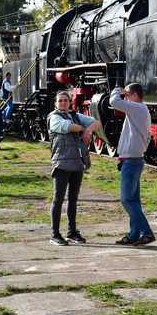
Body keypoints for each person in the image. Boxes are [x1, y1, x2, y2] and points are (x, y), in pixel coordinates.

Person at [47, 91, 101, 246]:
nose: (63, 103)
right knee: (58, 199)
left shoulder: (75, 115)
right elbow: (68, 127)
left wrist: (89, 130)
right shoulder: (54, 117)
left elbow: (96, 123)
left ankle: (72, 232)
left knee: (73, 199)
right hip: (61, 163)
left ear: (70, 102)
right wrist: (84, 129)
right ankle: (55, 234)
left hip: (77, 163)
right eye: (60, 100)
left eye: (65, 100)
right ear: (56, 103)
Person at [110, 83, 155, 246]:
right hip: (132, 160)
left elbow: (113, 102)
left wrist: (117, 90)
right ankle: (134, 234)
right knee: (133, 201)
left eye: (127, 94)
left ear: (135, 95)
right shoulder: (138, 110)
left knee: (126, 200)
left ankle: (147, 232)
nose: (125, 97)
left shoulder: (138, 108)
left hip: (132, 161)